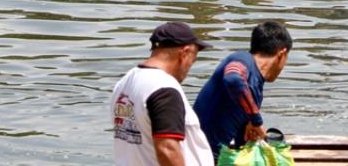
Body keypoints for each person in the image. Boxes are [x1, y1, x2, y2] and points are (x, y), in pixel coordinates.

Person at [110, 22, 214, 166]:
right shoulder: (164, 89)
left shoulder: (124, 83)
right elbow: (167, 149)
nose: (190, 66)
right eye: (193, 58)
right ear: (184, 53)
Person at [193, 21, 293, 159]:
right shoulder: (242, 59)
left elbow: (241, 144)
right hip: (197, 155)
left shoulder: (254, 89)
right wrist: (256, 121)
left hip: (214, 157)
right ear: (282, 54)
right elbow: (233, 79)